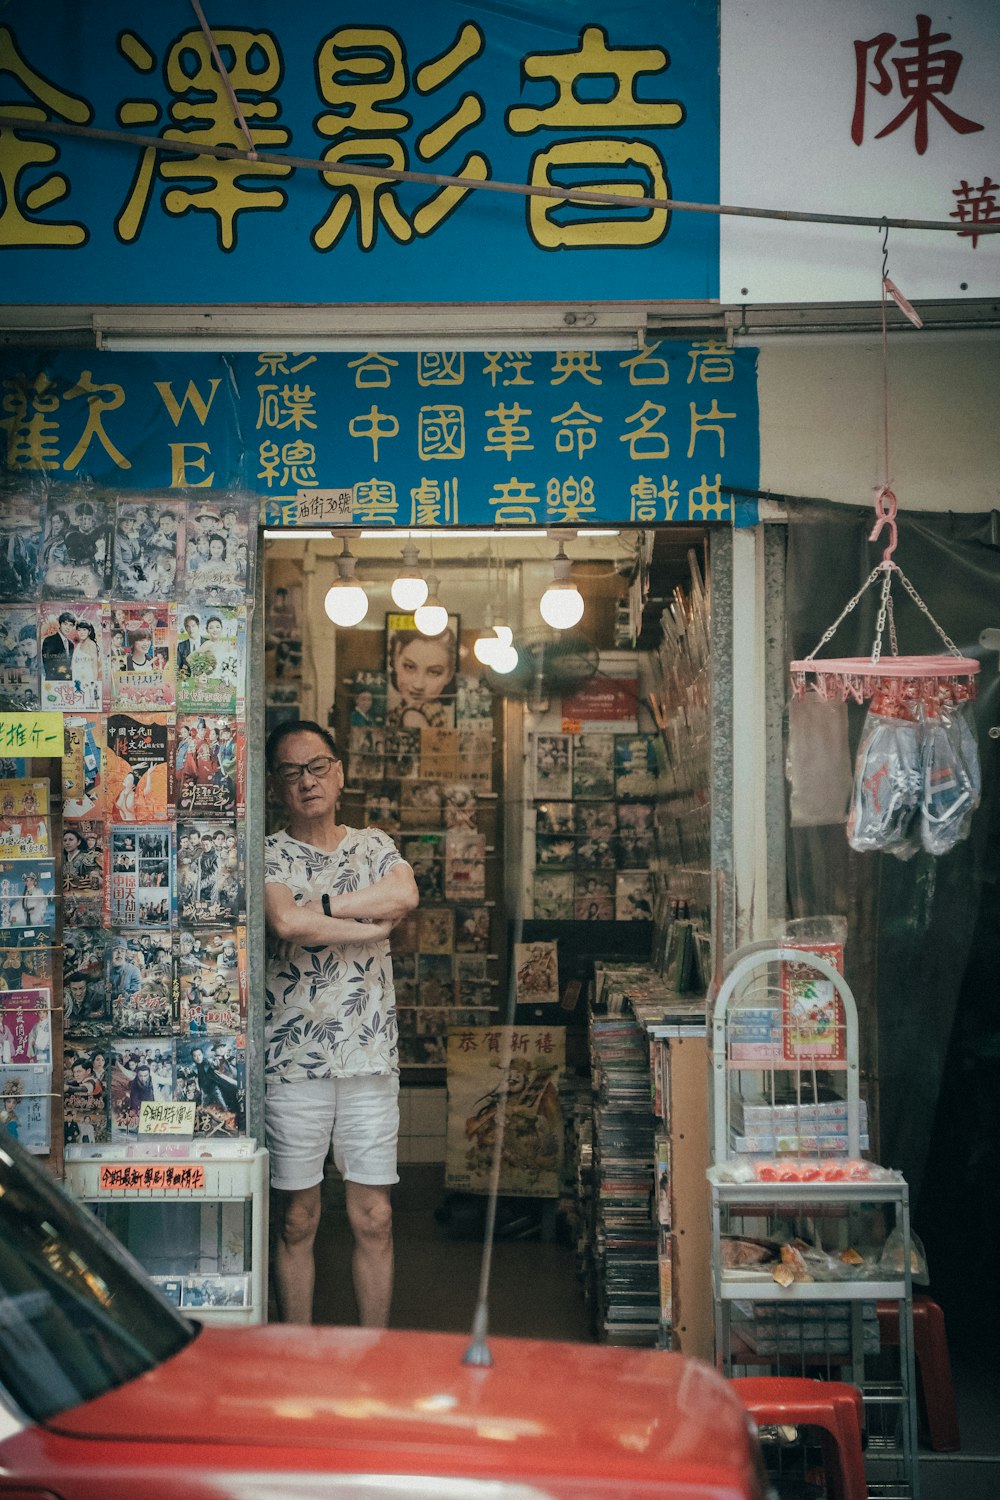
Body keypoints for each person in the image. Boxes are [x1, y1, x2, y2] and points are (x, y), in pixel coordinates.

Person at [264, 720, 419, 1327]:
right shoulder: (271, 851)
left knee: (373, 1218)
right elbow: (285, 923)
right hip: (294, 1059)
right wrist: (364, 924)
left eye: (318, 766)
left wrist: (323, 907)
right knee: (298, 1219)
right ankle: (297, 1354)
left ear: (340, 773)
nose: (307, 781)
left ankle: (373, 1355)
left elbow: (402, 896)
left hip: (368, 1056)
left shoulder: (373, 846)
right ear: (278, 786)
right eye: (292, 771)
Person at [386, 627, 457, 730]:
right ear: (395, 660)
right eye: (409, 667)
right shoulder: (433, 709)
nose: (418, 685)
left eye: (434, 672)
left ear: (449, 675)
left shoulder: (412, 716)